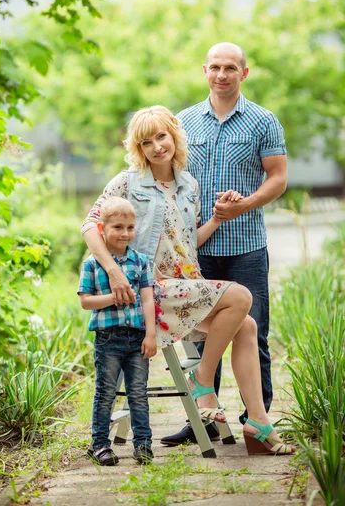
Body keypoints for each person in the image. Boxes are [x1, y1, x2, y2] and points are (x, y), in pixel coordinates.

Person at [81, 105, 294, 456]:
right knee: (240, 297)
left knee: (248, 326)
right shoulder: (126, 182)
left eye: (161, 136)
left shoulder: (188, 185)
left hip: (182, 287)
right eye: (146, 141)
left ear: (174, 137)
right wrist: (115, 271)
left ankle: (257, 421)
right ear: (139, 148)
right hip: (149, 290)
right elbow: (90, 225)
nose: (156, 147)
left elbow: (186, 242)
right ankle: (203, 380)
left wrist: (216, 219)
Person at [162, 42, 287, 447]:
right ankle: (206, 421)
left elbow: (278, 178)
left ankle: (256, 419)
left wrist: (247, 204)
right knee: (200, 334)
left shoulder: (263, 121)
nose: (222, 74)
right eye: (215, 67)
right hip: (196, 249)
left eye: (230, 67)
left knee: (255, 331)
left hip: (247, 244)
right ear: (204, 70)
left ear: (243, 73)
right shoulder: (183, 122)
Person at [78, 196, 157, 466]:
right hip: (108, 339)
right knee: (106, 393)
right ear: (102, 229)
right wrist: (113, 298)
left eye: (130, 227)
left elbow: (148, 299)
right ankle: (100, 445)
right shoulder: (92, 264)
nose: (125, 233)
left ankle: (143, 444)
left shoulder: (141, 262)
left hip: (137, 339)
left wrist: (151, 335)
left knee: (138, 392)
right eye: (118, 227)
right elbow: (85, 301)